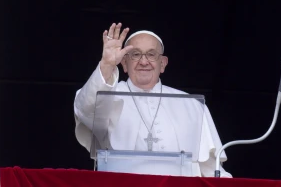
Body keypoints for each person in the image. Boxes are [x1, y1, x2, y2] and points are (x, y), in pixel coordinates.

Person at [73, 22, 232, 177]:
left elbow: (211, 169)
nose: (144, 61)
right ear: (124, 63)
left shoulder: (191, 105)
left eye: (151, 54)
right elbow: (86, 109)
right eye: (135, 54)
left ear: (162, 64)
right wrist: (107, 65)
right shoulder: (107, 96)